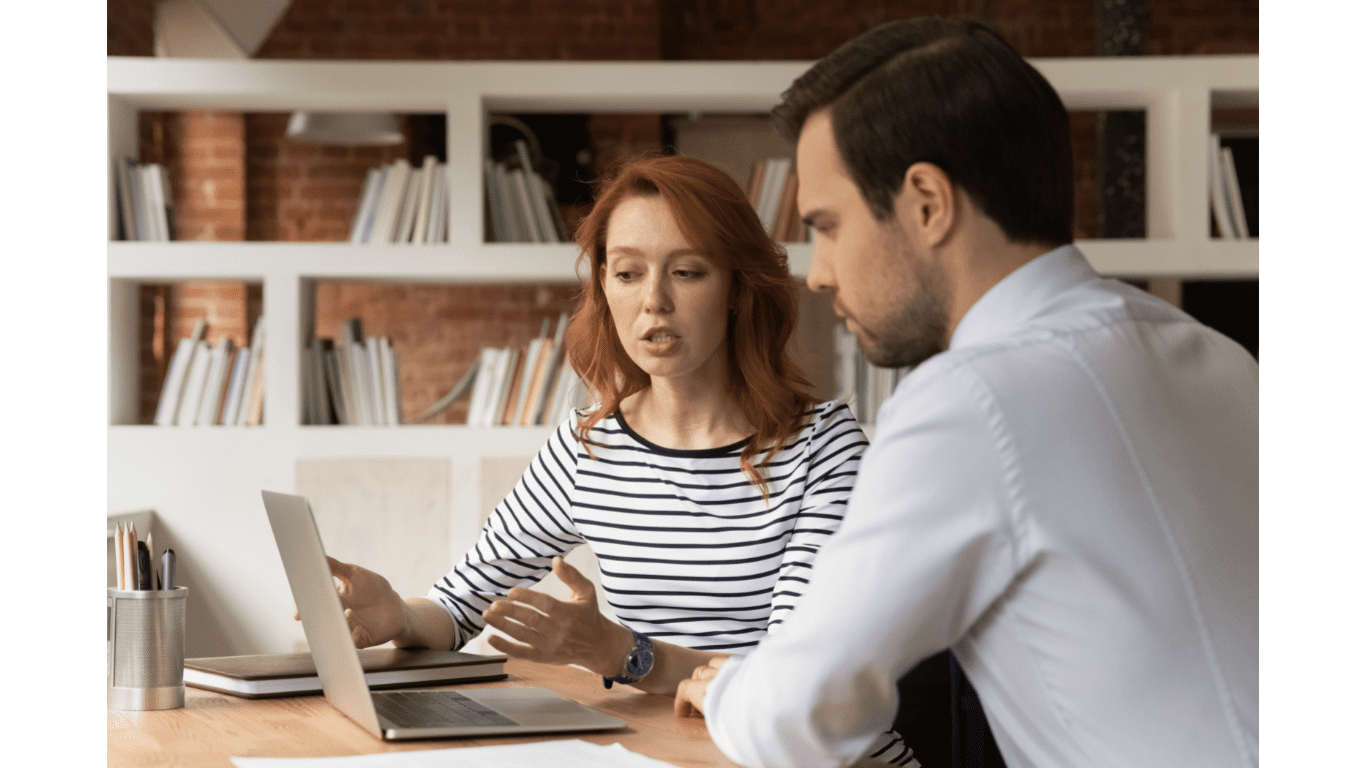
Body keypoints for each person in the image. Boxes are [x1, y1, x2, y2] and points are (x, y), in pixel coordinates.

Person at [675, 16, 1258, 768]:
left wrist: (730, 691)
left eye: (828, 224)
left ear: (926, 201)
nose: (817, 273)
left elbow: (798, 716)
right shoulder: (1217, 355)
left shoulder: (974, 398)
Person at [316, 153, 917, 765]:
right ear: (603, 285)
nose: (653, 302)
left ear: (736, 287)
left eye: (686, 272)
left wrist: (624, 653)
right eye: (627, 274)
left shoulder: (824, 450)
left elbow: (796, 686)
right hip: (671, 755)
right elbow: (461, 603)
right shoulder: (588, 446)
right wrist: (400, 617)